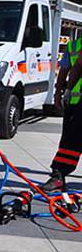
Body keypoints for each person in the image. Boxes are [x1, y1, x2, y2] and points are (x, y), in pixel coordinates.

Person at [40, 37, 82, 192]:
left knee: (72, 138)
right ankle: (59, 175)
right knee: (71, 139)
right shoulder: (74, 46)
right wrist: (66, 90)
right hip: (78, 103)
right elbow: (77, 65)